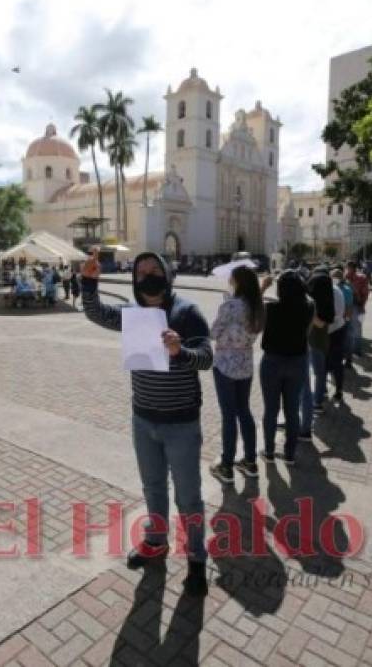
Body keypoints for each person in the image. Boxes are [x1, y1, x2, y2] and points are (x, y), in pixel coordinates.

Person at [80, 249, 212, 596]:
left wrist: (180, 352)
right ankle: (156, 541)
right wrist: (89, 281)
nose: (148, 276)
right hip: (143, 420)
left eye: (155, 270)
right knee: (153, 487)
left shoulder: (186, 312)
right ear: (135, 280)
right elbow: (96, 313)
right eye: (141, 273)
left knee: (189, 496)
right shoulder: (134, 314)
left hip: (181, 423)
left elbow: (207, 358)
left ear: (167, 274)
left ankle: (197, 558)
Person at [208, 265, 265, 484]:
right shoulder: (258, 307)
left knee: (228, 415)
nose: (230, 280)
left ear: (238, 282)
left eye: (232, 278)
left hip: (225, 366)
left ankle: (226, 466)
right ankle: (250, 462)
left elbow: (213, 333)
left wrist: (225, 310)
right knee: (244, 411)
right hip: (246, 365)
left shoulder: (230, 306)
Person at [259, 270, 314, 468]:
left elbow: (254, 314)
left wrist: (263, 286)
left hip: (272, 362)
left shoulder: (270, 308)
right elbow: (307, 333)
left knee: (271, 409)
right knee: (292, 410)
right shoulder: (309, 307)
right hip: (297, 361)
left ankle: (270, 451)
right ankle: (290, 454)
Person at [300, 266, 334, 437]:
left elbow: (319, 323)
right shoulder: (329, 296)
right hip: (322, 339)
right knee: (320, 372)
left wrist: (310, 312)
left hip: (314, 339)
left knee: (313, 375)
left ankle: (316, 403)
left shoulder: (314, 302)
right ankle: (318, 400)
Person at [327, 269, 349, 402]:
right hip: (339, 328)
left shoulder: (335, 290)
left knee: (332, 361)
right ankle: (338, 389)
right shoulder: (337, 289)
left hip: (334, 330)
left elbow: (336, 313)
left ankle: (333, 389)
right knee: (336, 362)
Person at [345, 260, 370, 365]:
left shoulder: (359, 277)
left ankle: (355, 351)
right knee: (354, 330)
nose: (347, 270)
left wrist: (362, 306)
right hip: (352, 306)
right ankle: (353, 351)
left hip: (354, 306)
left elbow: (365, 293)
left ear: (351, 268)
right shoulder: (347, 277)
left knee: (354, 329)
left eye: (348, 268)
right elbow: (366, 293)